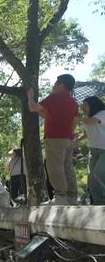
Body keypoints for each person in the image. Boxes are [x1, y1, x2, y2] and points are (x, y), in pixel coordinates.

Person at [28, 74, 79, 205]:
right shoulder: (73, 102)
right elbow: (47, 114)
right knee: (67, 167)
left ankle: (61, 197)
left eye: (56, 83)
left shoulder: (54, 97)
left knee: (55, 167)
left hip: (54, 138)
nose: (54, 86)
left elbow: (32, 107)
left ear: (61, 85)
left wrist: (30, 96)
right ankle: (72, 197)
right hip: (68, 139)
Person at [78, 96, 105, 205]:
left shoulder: (102, 113)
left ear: (92, 105)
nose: (83, 107)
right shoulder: (87, 118)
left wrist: (78, 117)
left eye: (85, 105)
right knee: (92, 180)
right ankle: (100, 203)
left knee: (100, 172)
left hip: (104, 149)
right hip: (93, 150)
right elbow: (85, 134)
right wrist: (75, 141)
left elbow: (92, 122)